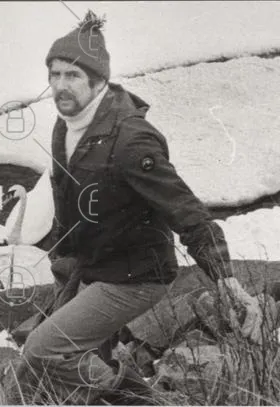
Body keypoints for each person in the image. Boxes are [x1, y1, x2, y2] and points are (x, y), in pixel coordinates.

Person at [19, 10, 264, 404]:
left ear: (98, 81)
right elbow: (68, 203)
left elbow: (186, 210)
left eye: (73, 75)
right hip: (91, 266)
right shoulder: (65, 127)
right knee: (40, 372)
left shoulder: (131, 140)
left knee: (42, 350)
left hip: (136, 276)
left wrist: (225, 279)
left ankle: (142, 401)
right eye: (54, 74)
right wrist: (64, 267)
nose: (60, 85)